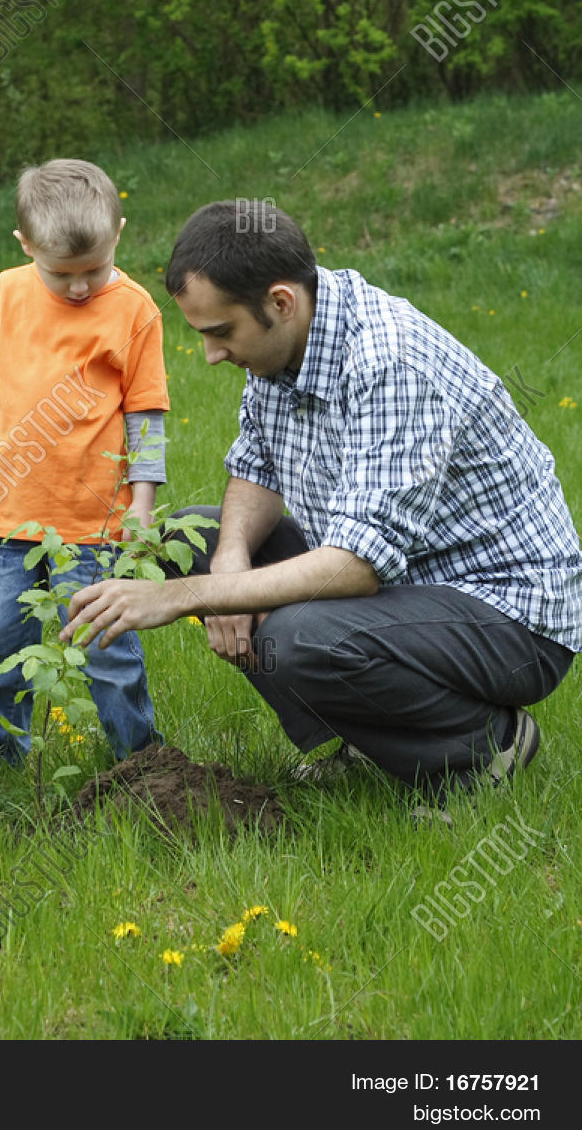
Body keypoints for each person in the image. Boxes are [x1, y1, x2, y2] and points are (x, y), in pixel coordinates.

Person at [62, 200, 581, 814]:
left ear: (280, 302)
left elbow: (357, 566)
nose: (211, 355)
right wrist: (227, 564)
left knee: (296, 635)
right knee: (190, 538)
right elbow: (255, 469)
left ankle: (481, 747)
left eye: (220, 332)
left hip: (506, 614)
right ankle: (368, 741)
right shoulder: (285, 344)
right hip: (404, 590)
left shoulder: (390, 362)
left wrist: (187, 599)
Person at [0, 158, 169, 767]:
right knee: (2, 645)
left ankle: (140, 761)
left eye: (92, 270)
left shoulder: (135, 309)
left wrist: (142, 508)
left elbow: (145, 416)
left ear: (118, 233)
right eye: (60, 273)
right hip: (10, 518)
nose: (78, 288)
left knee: (108, 650)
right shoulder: (4, 293)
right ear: (26, 246)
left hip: (96, 524)